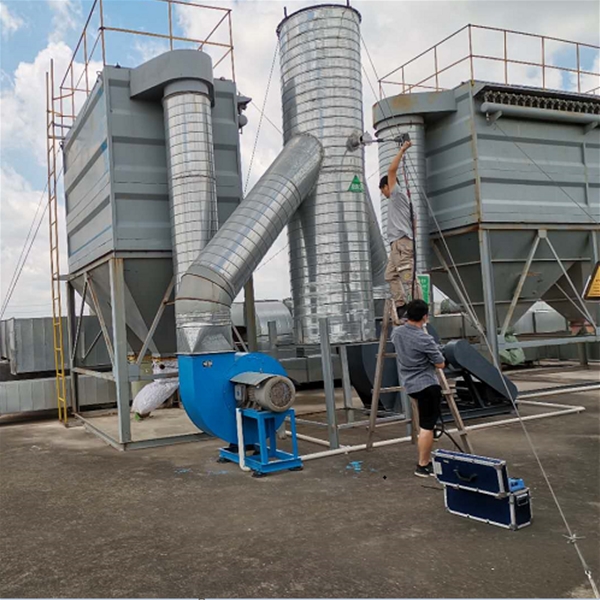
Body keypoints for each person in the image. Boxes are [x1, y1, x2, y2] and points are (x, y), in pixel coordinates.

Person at [391, 299, 445, 478]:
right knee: (427, 427)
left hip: (410, 384)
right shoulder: (424, 338)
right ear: (425, 317)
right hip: (427, 385)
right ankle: (423, 465)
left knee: (426, 425)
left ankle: (425, 457)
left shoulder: (397, 332)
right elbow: (440, 363)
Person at [379, 139, 423, 325]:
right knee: (390, 275)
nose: (383, 194)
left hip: (401, 243)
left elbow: (391, 171)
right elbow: (415, 223)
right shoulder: (405, 203)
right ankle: (401, 305)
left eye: (383, 190)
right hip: (399, 244)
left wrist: (402, 150)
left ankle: (419, 309)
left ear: (387, 187)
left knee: (407, 276)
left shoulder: (396, 195)